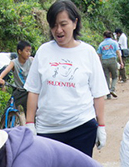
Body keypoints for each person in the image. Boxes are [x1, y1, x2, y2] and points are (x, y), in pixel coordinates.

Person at [24, 0, 109, 157]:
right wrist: (30, 124)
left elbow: (98, 94)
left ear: (75, 23)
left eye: (63, 24)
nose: (59, 30)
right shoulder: (44, 51)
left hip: (81, 128)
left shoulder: (88, 53)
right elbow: (33, 91)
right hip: (48, 131)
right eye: (54, 25)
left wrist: (101, 126)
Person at [0, 41, 34, 114]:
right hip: (19, 91)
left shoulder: (31, 60)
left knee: (32, 114)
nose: (29, 53)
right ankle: (4, 124)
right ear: (19, 51)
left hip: (29, 91)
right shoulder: (14, 62)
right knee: (8, 110)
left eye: (29, 51)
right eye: (26, 51)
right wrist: (0, 78)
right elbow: (6, 70)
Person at [97, 30, 123, 99]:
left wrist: (99, 63)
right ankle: (112, 89)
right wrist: (121, 62)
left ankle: (108, 93)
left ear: (104, 36)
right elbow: (118, 52)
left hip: (104, 61)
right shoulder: (114, 43)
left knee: (106, 77)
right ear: (111, 36)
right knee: (114, 76)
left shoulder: (101, 44)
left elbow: (99, 54)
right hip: (112, 60)